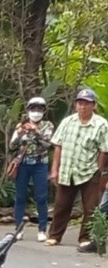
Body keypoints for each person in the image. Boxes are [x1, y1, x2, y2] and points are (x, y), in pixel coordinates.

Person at [45, 88, 108, 252]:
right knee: (61, 205)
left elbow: (104, 149)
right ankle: (54, 235)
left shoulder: (101, 124)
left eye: (87, 104)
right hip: (68, 169)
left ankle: (85, 238)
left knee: (91, 207)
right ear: (76, 105)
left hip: (89, 170)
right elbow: (58, 145)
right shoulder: (68, 122)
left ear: (93, 105)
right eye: (80, 103)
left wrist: (99, 170)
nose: (83, 107)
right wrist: (54, 169)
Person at [8, 97, 55, 242]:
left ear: (44, 111)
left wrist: (36, 132)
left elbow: (48, 145)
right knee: (20, 197)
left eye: (39, 110)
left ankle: (42, 229)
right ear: (28, 111)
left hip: (40, 164)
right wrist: (20, 134)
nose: (36, 112)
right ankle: (18, 229)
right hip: (23, 164)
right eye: (33, 109)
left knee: (41, 197)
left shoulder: (48, 126)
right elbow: (12, 146)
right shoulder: (21, 125)